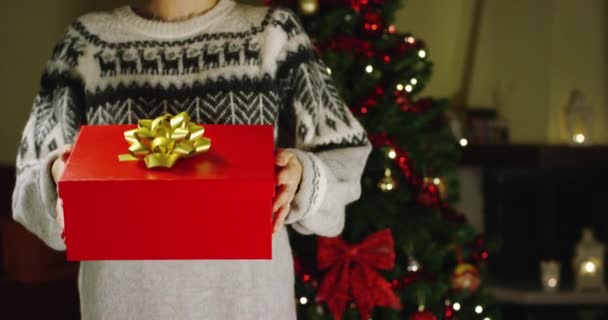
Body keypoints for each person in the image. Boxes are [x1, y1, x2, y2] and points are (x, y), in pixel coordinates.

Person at [12, 0, 371, 318]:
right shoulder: (85, 43)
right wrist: (56, 180)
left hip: (248, 305)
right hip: (124, 305)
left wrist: (303, 177)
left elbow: (345, 157)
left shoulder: (274, 34)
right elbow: (28, 186)